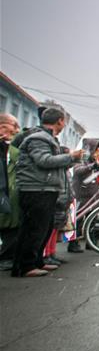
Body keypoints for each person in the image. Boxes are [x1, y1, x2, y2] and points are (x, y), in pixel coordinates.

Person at [9, 108, 83, 277]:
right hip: (35, 188)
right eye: (63, 121)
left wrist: (71, 160)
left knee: (44, 227)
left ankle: (37, 261)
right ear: (59, 121)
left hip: (45, 188)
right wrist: (71, 157)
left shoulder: (47, 138)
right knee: (34, 228)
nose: (64, 125)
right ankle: (24, 266)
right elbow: (43, 161)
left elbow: (53, 163)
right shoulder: (39, 138)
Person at [69, 138, 99, 253]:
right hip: (81, 192)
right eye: (97, 151)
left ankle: (91, 243)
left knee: (92, 218)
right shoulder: (82, 158)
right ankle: (73, 243)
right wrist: (92, 166)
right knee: (78, 218)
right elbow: (78, 171)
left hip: (92, 192)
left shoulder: (97, 159)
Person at [0, 113, 22, 271]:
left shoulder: (6, 145)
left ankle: (7, 257)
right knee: (8, 223)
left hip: (8, 188)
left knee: (11, 223)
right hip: (6, 187)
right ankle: (5, 258)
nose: (16, 130)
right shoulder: (10, 147)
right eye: (14, 126)